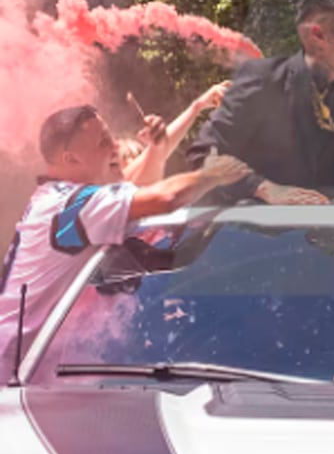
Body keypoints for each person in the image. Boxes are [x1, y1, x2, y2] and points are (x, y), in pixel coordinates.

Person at [0, 105, 250, 365]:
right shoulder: (72, 206)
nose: (114, 146)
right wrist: (217, 173)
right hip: (11, 373)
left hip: (38, 377)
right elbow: (165, 197)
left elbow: (148, 196)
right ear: (71, 159)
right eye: (103, 142)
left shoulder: (66, 202)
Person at [187, 0, 334, 205]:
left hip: (317, 234)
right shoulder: (263, 80)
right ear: (318, 35)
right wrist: (263, 188)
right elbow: (203, 155)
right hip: (239, 229)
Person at [122, 81, 231, 185]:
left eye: (138, 156)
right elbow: (131, 177)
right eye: (114, 164)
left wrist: (198, 106)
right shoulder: (114, 194)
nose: (134, 162)